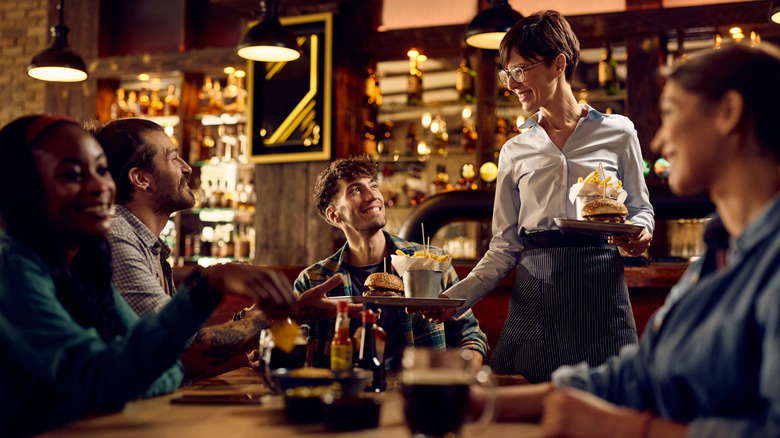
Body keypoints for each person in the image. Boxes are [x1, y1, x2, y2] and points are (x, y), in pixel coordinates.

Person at [472, 43, 780, 438]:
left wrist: (624, 428)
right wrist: (482, 403)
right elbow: (637, 376)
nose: (659, 143)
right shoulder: (717, 255)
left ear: (728, 113)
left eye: (669, 113)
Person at [0, 115, 299, 437]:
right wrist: (207, 286)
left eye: (101, 170)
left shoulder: (87, 262)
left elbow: (165, 372)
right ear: (24, 188)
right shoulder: (11, 270)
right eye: (73, 174)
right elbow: (102, 378)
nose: (101, 186)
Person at [428, 10, 655, 383]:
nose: (512, 84)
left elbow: (640, 209)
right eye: (508, 74)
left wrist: (641, 232)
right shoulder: (514, 151)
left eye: (520, 71)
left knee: (607, 404)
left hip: (601, 290)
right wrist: (453, 300)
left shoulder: (619, 132)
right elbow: (503, 246)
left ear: (558, 64)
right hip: (536, 295)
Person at [93, 118, 348, 380]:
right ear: (141, 178)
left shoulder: (149, 245)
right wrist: (284, 315)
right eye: (173, 158)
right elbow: (179, 352)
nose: (187, 168)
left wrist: (248, 342)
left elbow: (187, 352)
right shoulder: (117, 238)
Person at [294, 155, 488, 370]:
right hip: (344, 397)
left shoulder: (430, 262)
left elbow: (469, 336)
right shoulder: (314, 280)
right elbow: (290, 341)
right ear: (334, 215)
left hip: (418, 397)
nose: (373, 196)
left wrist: (467, 373)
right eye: (356, 190)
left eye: (373, 185)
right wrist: (266, 351)